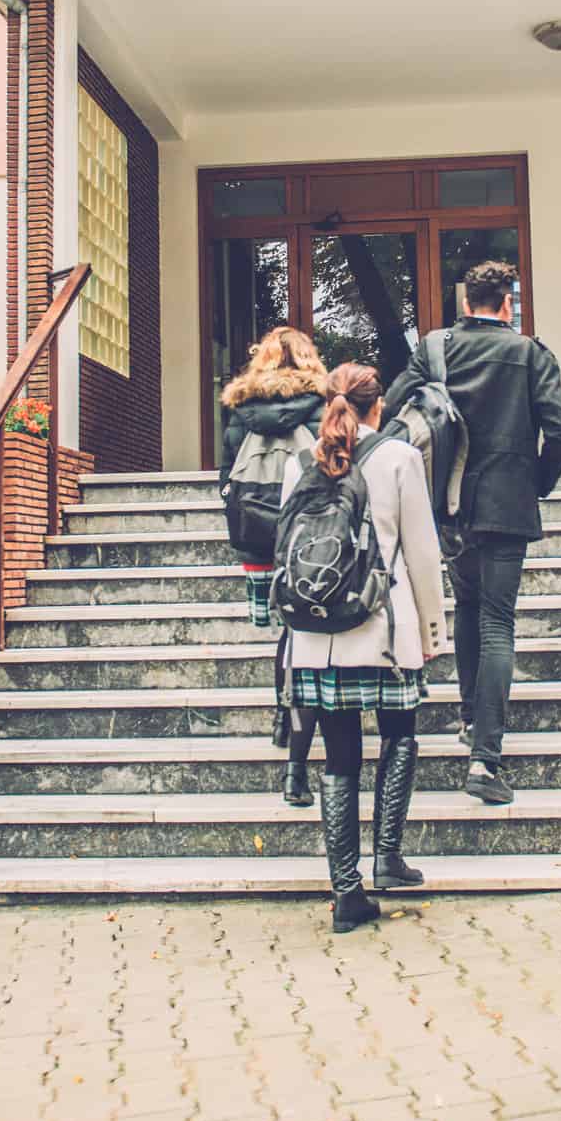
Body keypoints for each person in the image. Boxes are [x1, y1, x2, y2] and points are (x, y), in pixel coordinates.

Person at [387, 260, 561, 806]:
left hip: (446, 506)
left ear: (466, 300)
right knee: (497, 620)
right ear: (508, 303)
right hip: (508, 504)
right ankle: (484, 759)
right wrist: (538, 481)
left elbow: (396, 409)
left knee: (468, 608)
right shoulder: (529, 353)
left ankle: (471, 719)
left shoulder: (435, 349)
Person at [280, 364, 448, 933]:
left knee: (339, 756)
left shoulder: (299, 462)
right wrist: (432, 633)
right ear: (379, 407)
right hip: (383, 629)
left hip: (317, 636)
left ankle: (347, 892)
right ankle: (388, 857)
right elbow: (422, 554)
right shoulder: (400, 459)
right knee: (400, 733)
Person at [218, 326, 329, 807]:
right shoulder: (323, 404)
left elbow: (226, 474)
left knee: (284, 628)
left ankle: (283, 712)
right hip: (306, 532)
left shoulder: (241, 407)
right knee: (301, 633)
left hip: (256, 530)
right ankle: (293, 716)